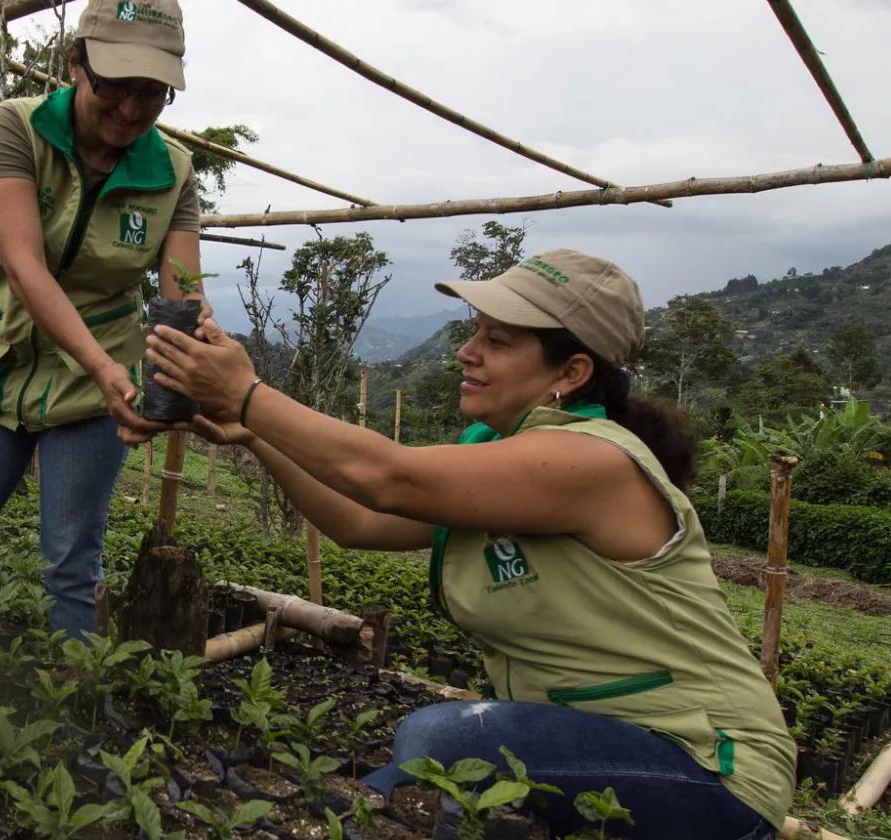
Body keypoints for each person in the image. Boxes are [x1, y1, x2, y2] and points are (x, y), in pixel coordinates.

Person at [145, 249, 794, 839]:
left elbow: (387, 477)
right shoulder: (506, 461)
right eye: (475, 331)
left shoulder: (593, 463)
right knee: (420, 760)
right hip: (610, 745)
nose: (466, 352)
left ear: (570, 371)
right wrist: (252, 431)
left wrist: (250, 395)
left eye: (497, 340)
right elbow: (359, 522)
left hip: (708, 771)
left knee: (440, 739)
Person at [0, 0, 203, 636]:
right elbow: (24, 267)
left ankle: (74, 709)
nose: (129, 112)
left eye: (150, 95)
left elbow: (184, 295)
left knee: (71, 564)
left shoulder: (174, 174)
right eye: (114, 89)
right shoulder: (13, 128)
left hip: (96, 392)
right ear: (76, 64)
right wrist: (103, 368)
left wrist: (197, 370)